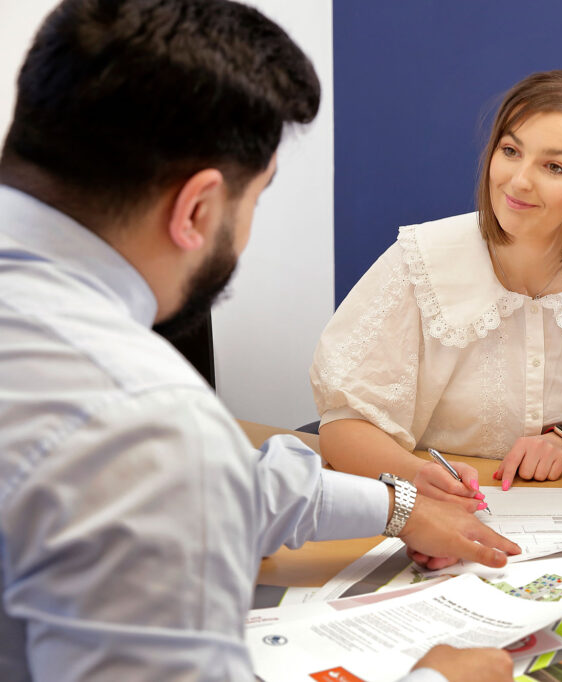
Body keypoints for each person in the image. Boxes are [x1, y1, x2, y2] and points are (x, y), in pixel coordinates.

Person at [0, 1, 519, 680]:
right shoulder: (142, 421)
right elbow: (151, 464)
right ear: (197, 209)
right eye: (257, 197)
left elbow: (177, 483)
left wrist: (394, 504)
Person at [311, 70, 562, 510]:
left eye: (554, 166)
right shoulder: (420, 261)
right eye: (510, 150)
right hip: (429, 511)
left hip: (559, 521)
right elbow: (342, 425)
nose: (519, 181)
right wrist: (421, 479)